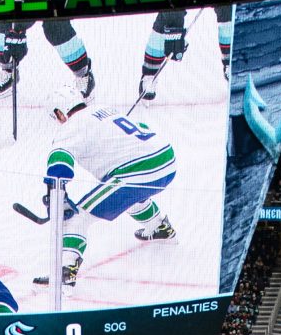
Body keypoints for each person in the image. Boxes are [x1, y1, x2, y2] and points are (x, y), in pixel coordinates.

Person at [33, 105, 178, 291]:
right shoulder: (105, 110)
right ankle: (159, 227)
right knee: (128, 196)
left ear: (60, 112)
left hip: (140, 171)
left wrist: (56, 194)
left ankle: (64, 274)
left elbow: (60, 161)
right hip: (167, 161)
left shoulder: (71, 127)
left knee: (77, 217)